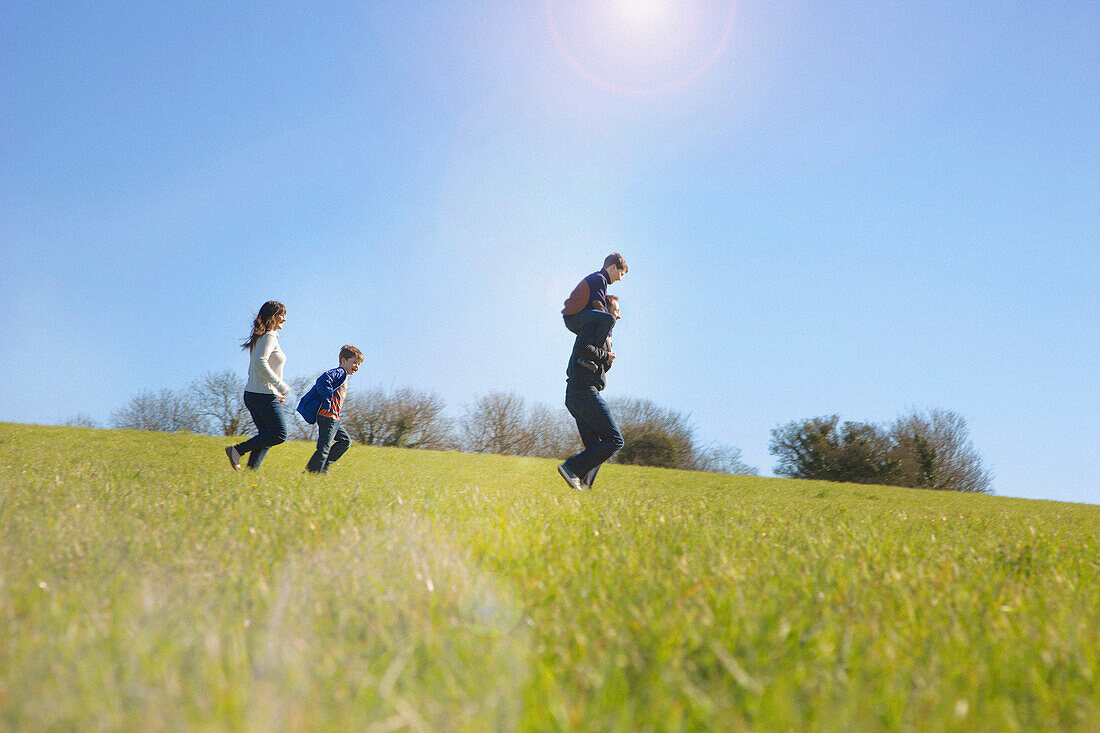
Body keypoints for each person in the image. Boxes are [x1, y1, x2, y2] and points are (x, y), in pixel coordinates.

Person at [558, 295, 625, 491]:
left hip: (577, 394)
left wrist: (606, 361)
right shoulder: (593, 328)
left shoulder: (603, 334)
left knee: (596, 447)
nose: (619, 316)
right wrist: (606, 356)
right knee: (614, 440)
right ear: (605, 309)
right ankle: (571, 467)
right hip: (584, 392)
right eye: (617, 310)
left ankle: (584, 487)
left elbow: (591, 361)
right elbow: (582, 348)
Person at [225, 300, 291, 470]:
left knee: (266, 435)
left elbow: (252, 369)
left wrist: (276, 392)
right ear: (272, 317)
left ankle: (251, 471)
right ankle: (237, 450)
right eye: (281, 315)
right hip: (262, 395)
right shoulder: (268, 336)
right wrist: (279, 385)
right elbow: (259, 362)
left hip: (255, 394)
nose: (284, 318)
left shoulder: (261, 337)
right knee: (279, 434)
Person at [302, 345, 363, 474]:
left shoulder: (343, 376)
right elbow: (323, 381)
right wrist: (327, 400)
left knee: (345, 441)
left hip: (334, 418)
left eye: (359, 364)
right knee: (324, 446)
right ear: (344, 360)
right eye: (354, 362)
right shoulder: (340, 372)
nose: (357, 367)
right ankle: (313, 471)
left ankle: (323, 465)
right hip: (327, 416)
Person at [562, 253, 627, 373]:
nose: (620, 278)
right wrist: (608, 335)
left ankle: (588, 355)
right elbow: (598, 304)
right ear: (613, 268)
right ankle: (588, 355)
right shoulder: (600, 278)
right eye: (620, 273)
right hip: (574, 317)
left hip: (577, 317)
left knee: (598, 322)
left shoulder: (598, 279)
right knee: (608, 319)